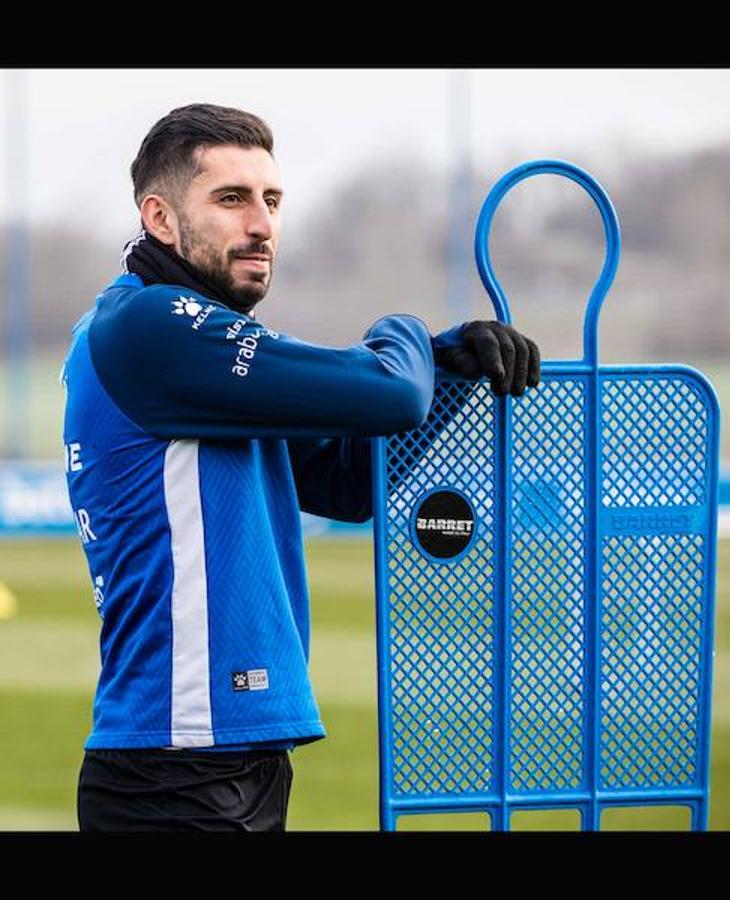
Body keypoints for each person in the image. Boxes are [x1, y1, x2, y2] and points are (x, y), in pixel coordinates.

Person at [62, 103, 540, 831]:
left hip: (234, 755)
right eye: (231, 199)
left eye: (272, 200)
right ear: (159, 218)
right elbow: (389, 390)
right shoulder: (149, 326)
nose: (261, 224)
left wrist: (445, 368)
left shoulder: (203, 353)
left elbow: (348, 484)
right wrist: (408, 332)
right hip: (174, 761)